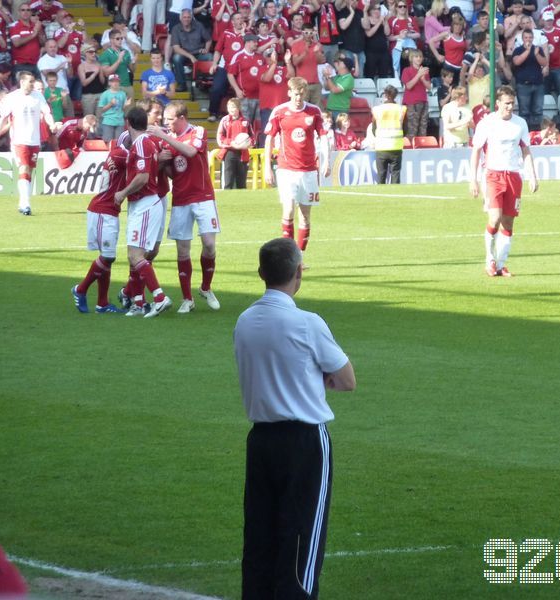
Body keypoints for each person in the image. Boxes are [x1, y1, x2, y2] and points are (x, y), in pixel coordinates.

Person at [234, 236, 355, 600]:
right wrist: (317, 377)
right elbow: (347, 380)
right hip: (304, 443)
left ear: (261, 273)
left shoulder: (244, 321)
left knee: (260, 533)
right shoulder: (308, 323)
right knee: (302, 535)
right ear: (299, 273)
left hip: (260, 440)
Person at [148, 100, 221, 314]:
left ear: (181, 119)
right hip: (180, 198)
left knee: (209, 244)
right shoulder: (167, 141)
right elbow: (172, 172)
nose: (166, 123)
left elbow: (190, 152)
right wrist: (161, 161)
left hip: (203, 196)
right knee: (182, 251)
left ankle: (206, 287)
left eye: (169, 120)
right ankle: (187, 298)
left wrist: (164, 137)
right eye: (164, 120)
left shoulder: (197, 131)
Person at [469, 85, 538, 277]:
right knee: (495, 218)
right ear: (497, 103)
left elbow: (525, 150)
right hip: (492, 175)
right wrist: (473, 180)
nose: (510, 107)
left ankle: (500, 264)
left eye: (512, 104)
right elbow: (476, 150)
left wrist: (532, 175)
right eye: (507, 104)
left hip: (514, 176)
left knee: (508, 223)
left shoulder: (520, 123)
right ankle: (489, 260)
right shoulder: (487, 123)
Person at [115, 106, 173, 318]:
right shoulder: (145, 143)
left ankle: (159, 297)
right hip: (145, 202)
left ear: (128, 123)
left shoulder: (140, 144)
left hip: (145, 203)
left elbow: (142, 177)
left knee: (136, 254)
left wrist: (122, 192)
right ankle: (138, 303)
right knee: (135, 256)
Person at [264, 76, 330, 257]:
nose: (298, 98)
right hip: (286, 169)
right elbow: (269, 139)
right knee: (288, 210)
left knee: (305, 216)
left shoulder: (314, 111)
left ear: (305, 93)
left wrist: (326, 161)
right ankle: (288, 256)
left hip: (308, 171)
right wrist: (267, 166)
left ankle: (299, 257)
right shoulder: (279, 112)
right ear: (289, 93)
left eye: (301, 94)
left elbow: (324, 137)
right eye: (295, 94)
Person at [71, 133, 130, 314]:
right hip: (103, 211)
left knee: (107, 257)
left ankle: (102, 303)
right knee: (108, 257)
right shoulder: (121, 154)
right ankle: (80, 289)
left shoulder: (118, 153)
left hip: (106, 210)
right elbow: (146, 166)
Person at [0, 71, 57, 216]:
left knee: (30, 171)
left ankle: (24, 201)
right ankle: (25, 204)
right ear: (22, 82)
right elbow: (3, 119)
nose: (33, 84)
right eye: (30, 82)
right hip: (19, 140)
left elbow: (47, 113)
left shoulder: (38, 96)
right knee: (24, 168)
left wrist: (51, 125)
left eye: (33, 81)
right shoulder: (12, 98)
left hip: (34, 140)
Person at [511, 28, 547, 132]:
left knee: (538, 111)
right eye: (526, 37)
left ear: (533, 38)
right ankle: (524, 133)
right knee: (524, 112)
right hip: (523, 85)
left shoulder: (538, 49)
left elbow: (544, 63)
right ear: (522, 39)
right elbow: (517, 62)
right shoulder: (518, 50)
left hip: (538, 84)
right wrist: (527, 51)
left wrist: (536, 54)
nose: (528, 39)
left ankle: (538, 133)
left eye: (530, 37)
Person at [170, 8, 212, 92]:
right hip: (184, 54)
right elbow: (176, 48)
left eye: (188, 17)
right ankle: (182, 84)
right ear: (180, 18)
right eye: (184, 17)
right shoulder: (175, 29)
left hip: (198, 52)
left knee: (210, 56)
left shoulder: (199, 25)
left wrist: (206, 49)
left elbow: (209, 40)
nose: (186, 19)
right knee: (176, 58)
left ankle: (204, 83)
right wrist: (190, 56)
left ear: (192, 18)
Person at [371, 83, 406, 183]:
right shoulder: (401, 109)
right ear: (395, 96)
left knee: (381, 174)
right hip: (396, 146)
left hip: (381, 146)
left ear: (385, 95)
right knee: (395, 173)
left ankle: (381, 197)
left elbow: (374, 129)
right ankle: (395, 197)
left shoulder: (377, 109)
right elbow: (405, 129)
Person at [217, 96, 255, 188]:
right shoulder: (225, 120)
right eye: (229, 107)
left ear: (238, 108)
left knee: (241, 183)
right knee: (228, 181)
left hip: (243, 153)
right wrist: (231, 143)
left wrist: (248, 144)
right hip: (229, 152)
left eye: (233, 107)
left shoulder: (245, 121)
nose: (231, 109)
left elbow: (252, 137)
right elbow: (220, 136)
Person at [9, 3, 44, 79]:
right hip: (21, 64)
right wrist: (33, 34)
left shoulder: (35, 25)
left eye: (28, 10)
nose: (25, 12)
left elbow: (43, 43)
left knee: (38, 90)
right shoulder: (15, 26)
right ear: (19, 12)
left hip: (36, 64)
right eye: (23, 10)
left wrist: (39, 31)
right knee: (22, 90)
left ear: (31, 12)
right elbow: (16, 43)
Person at [401, 48, 430, 138]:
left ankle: (421, 146)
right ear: (411, 58)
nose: (419, 58)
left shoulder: (424, 71)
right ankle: (410, 148)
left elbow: (429, 86)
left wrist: (423, 79)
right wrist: (418, 75)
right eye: (416, 56)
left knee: (423, 128)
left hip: (423, 101)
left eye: (420, 56)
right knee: (412, 128)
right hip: (411, 103)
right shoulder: (406, 70)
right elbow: (408, 86)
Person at [323, 52, 354, 120]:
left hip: (340, 110)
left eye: (340, 62)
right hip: (330, 108)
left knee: (339, 130)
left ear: (345, 66)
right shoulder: (337, 77)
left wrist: (328, 77)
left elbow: (335, 90)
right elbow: (327, 87)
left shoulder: (349, 78)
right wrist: (326, 76)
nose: (338, 63)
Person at [98, 73, 129, 142]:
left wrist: (125, 105)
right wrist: (110, 104)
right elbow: (101, 109)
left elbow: (122, 109)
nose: (115, 83)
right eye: (112, 81)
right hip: (108, 121)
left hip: (120, 121)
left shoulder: (123, 94)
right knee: (107, 142)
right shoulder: (105, 94)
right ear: (109, 83)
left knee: (119, 142)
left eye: (117, 81)